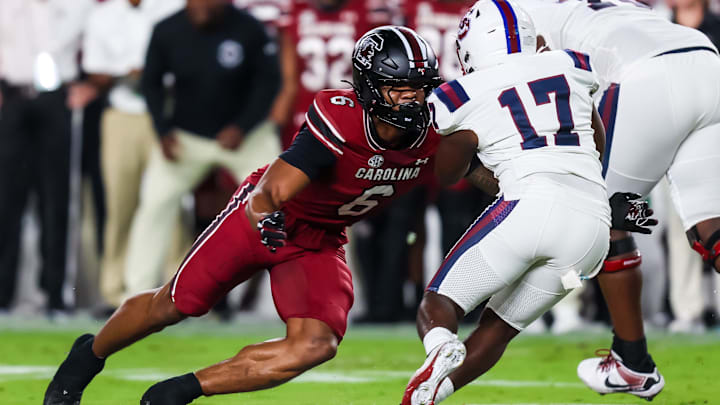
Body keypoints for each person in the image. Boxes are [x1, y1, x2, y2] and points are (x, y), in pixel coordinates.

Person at [43, 26, 443, 404]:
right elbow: (271, 190)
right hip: (267, 219)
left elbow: (477, 170)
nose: (414, 99)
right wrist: (265, 215)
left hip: (320, 239)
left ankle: (178, 392)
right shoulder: (342, 118)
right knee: (176, 303)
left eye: (420, 89)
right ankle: (86, 358)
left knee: (315, 344)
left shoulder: (443, 128)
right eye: (401, 88)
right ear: (371, 89)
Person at [401, 0, 613, 403]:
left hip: (530, 208)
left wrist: (479, 165)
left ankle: (440, 346)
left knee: (439, 304)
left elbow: (446, 174)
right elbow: (597, 145)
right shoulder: (571, 65)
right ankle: (427, 396)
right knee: (499, 329)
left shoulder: (460, 93)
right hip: (591, 240)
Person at [520, 0, 720, 399]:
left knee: (600, 219)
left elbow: (528, 81)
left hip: (647, 75)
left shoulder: (522, 12)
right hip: (706, 61)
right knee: (711, 228)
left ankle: (633, 363)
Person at [121, 0, 282, 297]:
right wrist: (163, 131)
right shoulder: (167, 29)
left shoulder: (249, 28)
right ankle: (134, 296)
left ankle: (298, 296)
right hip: (187, 138)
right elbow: (152, 83)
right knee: (154, 204)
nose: (201, 7)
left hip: (246, 137)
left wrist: (243, 126)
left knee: (283, 202)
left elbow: (269, 83)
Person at [71, 0, 186, 314]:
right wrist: (130, 72)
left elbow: (188, 60)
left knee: (168, 203)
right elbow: (94, 70)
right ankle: (115, 293)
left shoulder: (173, 8)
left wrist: (153, 73)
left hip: (165, 113)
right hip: (121, 111)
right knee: (119, 204)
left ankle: (178, 290)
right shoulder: (102, 15)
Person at [0, 0, 93, 315]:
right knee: (6, 200)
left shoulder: (75, 5)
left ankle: (55, 293)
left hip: (56, 102)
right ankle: (3, 293)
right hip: (11, 98)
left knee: (55, 201)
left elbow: (95, 44)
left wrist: (91, 85)